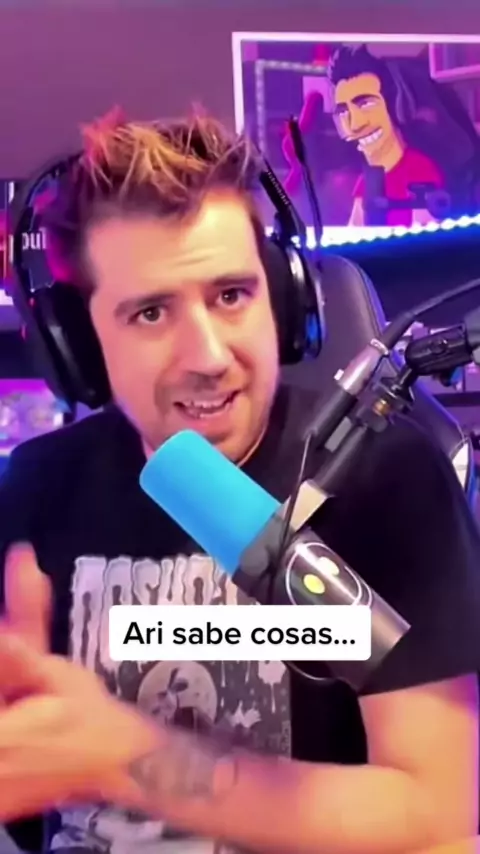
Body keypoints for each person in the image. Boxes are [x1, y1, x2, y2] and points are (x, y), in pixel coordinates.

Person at [0, 107, 479, 854]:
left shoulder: (387, 476)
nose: (209, 357)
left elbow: (437, 810)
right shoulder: (37, 487)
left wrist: (132, 761)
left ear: (284, 298)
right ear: (81, 344)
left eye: (231, 295)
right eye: (150, 312)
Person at [328, 45, 445, 228]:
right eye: (344, 111)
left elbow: (425, 238)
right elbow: (354, 231)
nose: (355, 125)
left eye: (366, 104)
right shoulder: (368, 181)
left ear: (396, 108)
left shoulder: (420, 170)